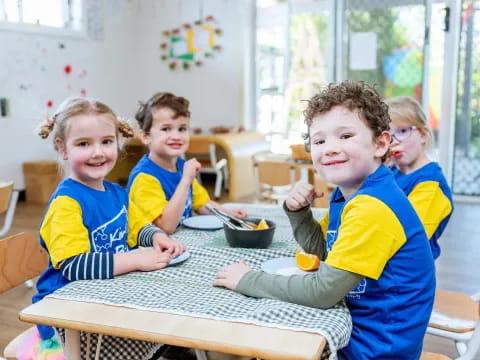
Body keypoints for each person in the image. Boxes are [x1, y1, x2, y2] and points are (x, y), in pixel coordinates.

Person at [213, 82, 436, 360]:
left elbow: (322, 292)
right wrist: (300, 213)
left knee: (235, 343)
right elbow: (323, 251)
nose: (329, 148)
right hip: (360, 333)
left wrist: (248, 279)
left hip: (373, 350)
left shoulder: (372, 207)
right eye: (319, 141)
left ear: (380, 144)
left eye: (345, 136)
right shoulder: (350, 194)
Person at [22, 97, 186, 360]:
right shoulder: (66, 203)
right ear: (62, 147)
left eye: (106, 142)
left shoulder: (116, 192)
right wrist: (135, 259)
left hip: (103, 298)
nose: (98, 152)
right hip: (65, 315)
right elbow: (74, 265)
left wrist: (156, 236)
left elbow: (136, 226)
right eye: (84, 144)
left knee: (169, 325)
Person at [127, 92, 247, 234]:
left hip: (182, 243)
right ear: (146, 137)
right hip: (153, 251)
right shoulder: (145, 178)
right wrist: (185, 180)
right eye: (166, 129)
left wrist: (229, 213)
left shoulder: (181, 165)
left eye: (182, 129)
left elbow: (201, 203)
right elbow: (166, 227)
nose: (176, 136)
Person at [387, 96, 453, 259]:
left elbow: (408, 235)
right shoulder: (390, 173)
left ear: (423, 134)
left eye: (402, 131)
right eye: (387, 135)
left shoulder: (431, 183)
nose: (394, 142)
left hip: (409, 275)